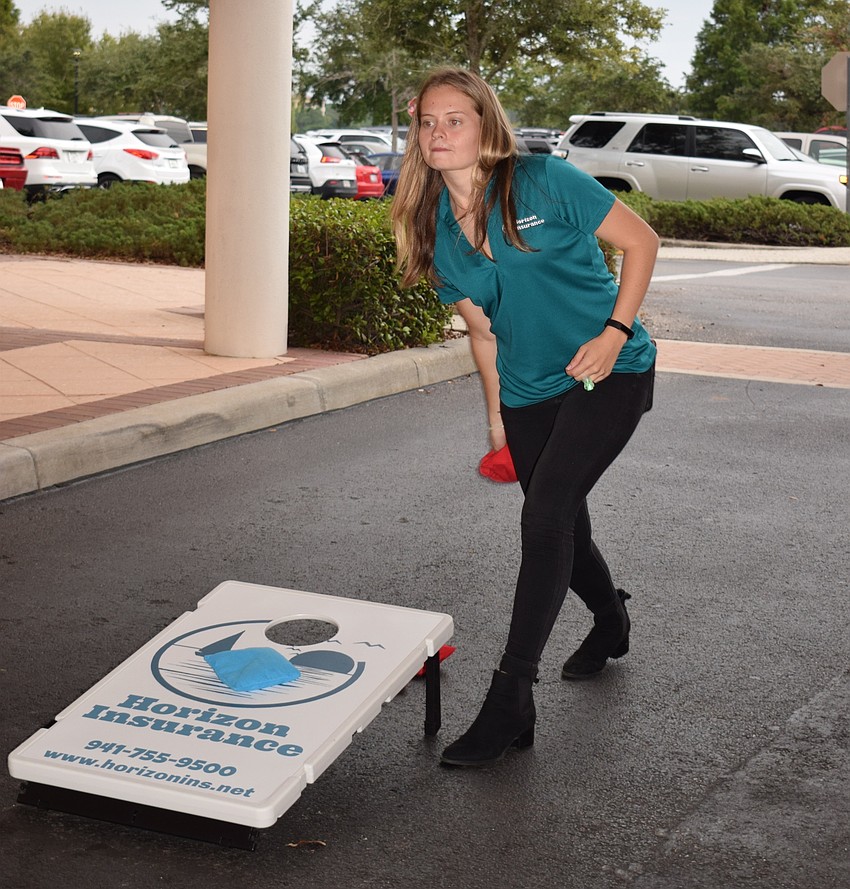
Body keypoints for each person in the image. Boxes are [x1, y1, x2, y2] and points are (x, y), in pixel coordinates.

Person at [391, 67, 659, 767]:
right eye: (428, 122)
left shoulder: (541, 181)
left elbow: (642, 242)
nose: (439, 132)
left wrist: (615, 334)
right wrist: (496, 420)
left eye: (455, 119)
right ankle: (611, 618)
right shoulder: (433, 228)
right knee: (566, 524)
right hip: (527, 390)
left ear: (485, 124)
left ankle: (511, 695)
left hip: (610, 371)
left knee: (545, 519)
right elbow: (483, 332)